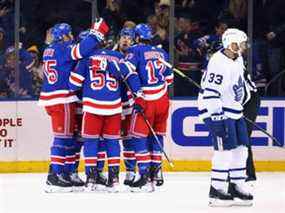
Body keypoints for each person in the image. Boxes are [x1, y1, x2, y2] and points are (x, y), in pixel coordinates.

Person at [38, 18, 109, 193]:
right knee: (62, 138)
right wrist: (97, 32)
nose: (71, 37)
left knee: (67, 138)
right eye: (69, 34)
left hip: (51, 98)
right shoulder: (64, 48)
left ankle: (63, 172)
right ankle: (54, 175)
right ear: (63, 36)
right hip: (62, 98)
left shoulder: (49, 49)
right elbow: (82, 49)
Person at [68, 39, 143, 192]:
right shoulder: (117, 57)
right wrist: (138, 95)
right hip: (114, 108)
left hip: (92, 107)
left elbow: (73, 84)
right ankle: (114, 180)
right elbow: (131, 75)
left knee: (91, 142)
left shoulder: (86, 59)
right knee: (112, 143)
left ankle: (91, 179)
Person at [198, 28, 254, 207]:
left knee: (242, 148)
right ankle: (217, 189)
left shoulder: (238, 59)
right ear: (232, 44)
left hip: (234, 110)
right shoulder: (218, 62)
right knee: (224, 151)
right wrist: (216, 117)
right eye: (241, 43)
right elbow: (211, 92)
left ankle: (237, 185)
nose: (244, 47)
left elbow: (240, 83)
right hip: (218, 110)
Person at [118, 23, 173, 192]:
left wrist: (139, 94)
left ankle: (144, 176)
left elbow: (126, 71)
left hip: (146, 100)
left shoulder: (134, 51)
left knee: (138, 136)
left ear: (137, 37)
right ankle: (156, 174)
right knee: (156, 135)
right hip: (163, 100)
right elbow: (169, 79)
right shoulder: (162, 52)